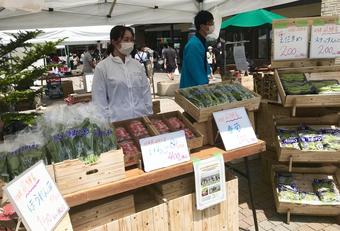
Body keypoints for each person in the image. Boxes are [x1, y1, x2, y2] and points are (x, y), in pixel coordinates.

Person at [92, 26, 153, 122]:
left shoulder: (137, 65)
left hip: (142, 120)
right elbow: (99, 101)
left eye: (131, 40)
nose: (130, 43)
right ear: (114, 41)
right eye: (126, 39)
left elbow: (146, 92)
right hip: (118, 123)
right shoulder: (102, 67)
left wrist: (149, 114)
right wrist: (106, 124)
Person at [179, 10, 214, 88]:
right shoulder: (193, 45)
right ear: (202, 26)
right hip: (192, 88)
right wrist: (205, 86)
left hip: (196, 86)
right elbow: (196, 70)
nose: (212, 25)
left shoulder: (201, 41)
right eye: (210, 23)